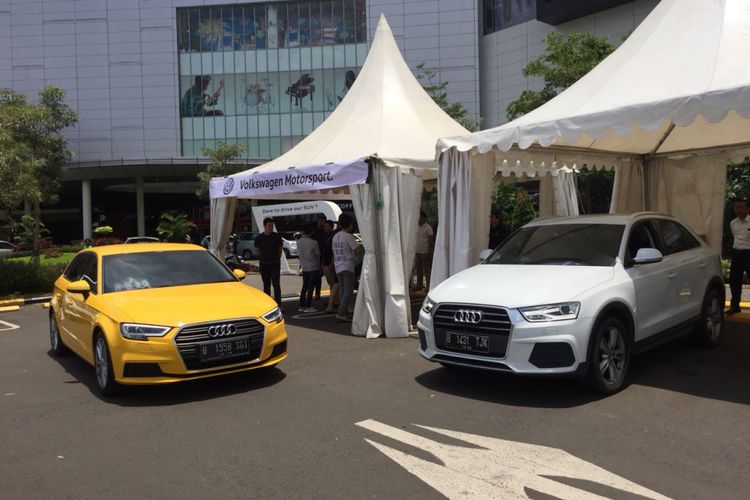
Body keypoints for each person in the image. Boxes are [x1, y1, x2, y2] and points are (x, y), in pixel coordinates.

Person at [333, 213, 361, 322]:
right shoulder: (348, 236)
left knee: (343, 290)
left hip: (338, 266)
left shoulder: (335, 236)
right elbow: (356, 250)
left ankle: (343, 312)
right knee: (348, 291)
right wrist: (363, 246)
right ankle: (341, 312)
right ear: (350, 224)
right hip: (348, 266)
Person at [728, 199, 750, 314]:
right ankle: (735, 306)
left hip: (749, 253)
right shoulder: (733, 223)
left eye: (742, 207)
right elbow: (735, 237)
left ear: (747, 208)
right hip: (737, 253)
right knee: (735, 281)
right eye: (737, 208)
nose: (739, 210)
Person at [254, 217, 283, 306]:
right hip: (264, 264)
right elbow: (257, 251)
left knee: (276, 284)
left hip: (275, 263)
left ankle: (278, 304)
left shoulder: (277, 237)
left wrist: (277, 258)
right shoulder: (259, 238)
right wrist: (262, 257)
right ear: (264, 226)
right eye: (268, 226)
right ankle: (268, 305)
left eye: (271, 226)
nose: (270, 228)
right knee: (266, 285)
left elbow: (280, 250)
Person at [296, 224, 321, 313]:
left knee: (304, 286)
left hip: (304, 266)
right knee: (311, 287)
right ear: (311, 232)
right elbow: (317, 255)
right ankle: (308, 305)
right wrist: (319, 265)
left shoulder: (299, 242)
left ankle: (301, 305)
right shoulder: (314, 242)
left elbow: (298, 254)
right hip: (313, 266)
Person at [322, 220, 339, 313]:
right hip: (326, 263)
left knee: (333, 284)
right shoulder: (326, 237)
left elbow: (333, 252)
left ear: (332, 227)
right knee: (331, 283)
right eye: (325, 227)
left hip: (330, 264)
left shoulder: (333, 237)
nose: (326, 228)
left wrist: (332, 264)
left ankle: (333, 302)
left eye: (327, 227)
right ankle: (333, 301)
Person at [414, 211, 434, 291]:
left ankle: (428, 286)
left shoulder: (428, 228)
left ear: (424, 218)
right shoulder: (416, 226)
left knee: (426, 270)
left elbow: (430, 241)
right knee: (418, 269)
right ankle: (419, 285)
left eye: (421, 217)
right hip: (417, 251)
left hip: (425, 252)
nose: (419, 219)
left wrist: (430, 252)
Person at [311, 214, 328, 299]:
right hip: (317, 255)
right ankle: (317, 293)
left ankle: (317, 293)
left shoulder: (326, 231)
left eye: (322, 221)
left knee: (320, 276)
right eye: (319, 221)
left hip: (324, 255)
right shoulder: (316, 231)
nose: (320, 222)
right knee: (317, 276)